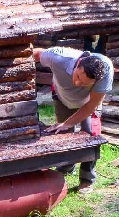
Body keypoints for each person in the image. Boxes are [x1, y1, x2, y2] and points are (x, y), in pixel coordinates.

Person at [33, 46, 114, 194]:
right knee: (63, 134)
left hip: (87, 102)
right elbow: (36, 54)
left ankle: (86, 179)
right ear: (78, 64)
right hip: (62, 97)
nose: (78, 84)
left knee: (90, 137)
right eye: (77, 77)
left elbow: (91, 106)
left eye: (84, 83)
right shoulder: (57, 57)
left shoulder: (106, 71)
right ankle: (66, 166)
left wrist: (68, 122)